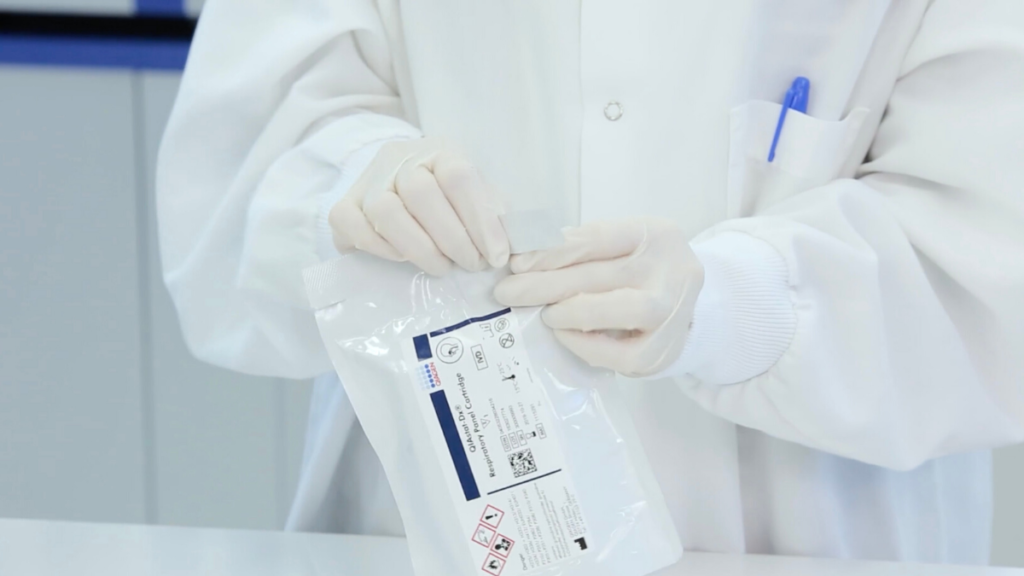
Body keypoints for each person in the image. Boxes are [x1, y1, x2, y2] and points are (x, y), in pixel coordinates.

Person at [156, 0, 1024, 564]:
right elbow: (243, 155)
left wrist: (744, 304)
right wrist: (354, 184)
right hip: (430, 529)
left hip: (816, 539)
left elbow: (988, 250)